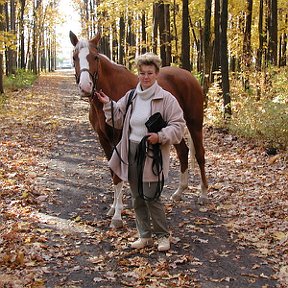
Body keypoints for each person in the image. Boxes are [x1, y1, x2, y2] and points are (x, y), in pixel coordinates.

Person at [95, 52, 185, 252]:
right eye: (142, 73)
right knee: (136, 196)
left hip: (152, 152)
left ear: (156, 74)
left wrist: (160, 136)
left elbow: (178, 126)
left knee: (151, 196)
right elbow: (118, 118)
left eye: (150, 73)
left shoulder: (166, 99)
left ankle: (162, 236)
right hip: (132, 150)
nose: (145, 77)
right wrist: (107, 104)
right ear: (138, 74)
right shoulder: (131, 96)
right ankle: (144, 236)